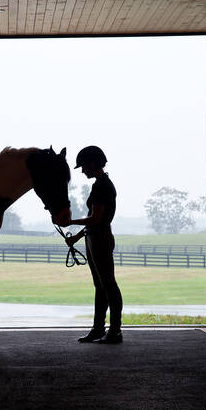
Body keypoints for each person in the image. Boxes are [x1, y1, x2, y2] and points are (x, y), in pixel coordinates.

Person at [65, 146, 123, 344]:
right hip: (94, 237)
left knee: (108, 284)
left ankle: (114, 331)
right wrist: (76, 237)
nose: (82, 171)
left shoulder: (102, 186)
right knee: (100, 285)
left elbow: (96, 218)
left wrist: (71, 222)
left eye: (83, 167)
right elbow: (93, 221)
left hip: (100, 238)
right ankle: (99, 328)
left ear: (92, 164)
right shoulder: (99, 184)